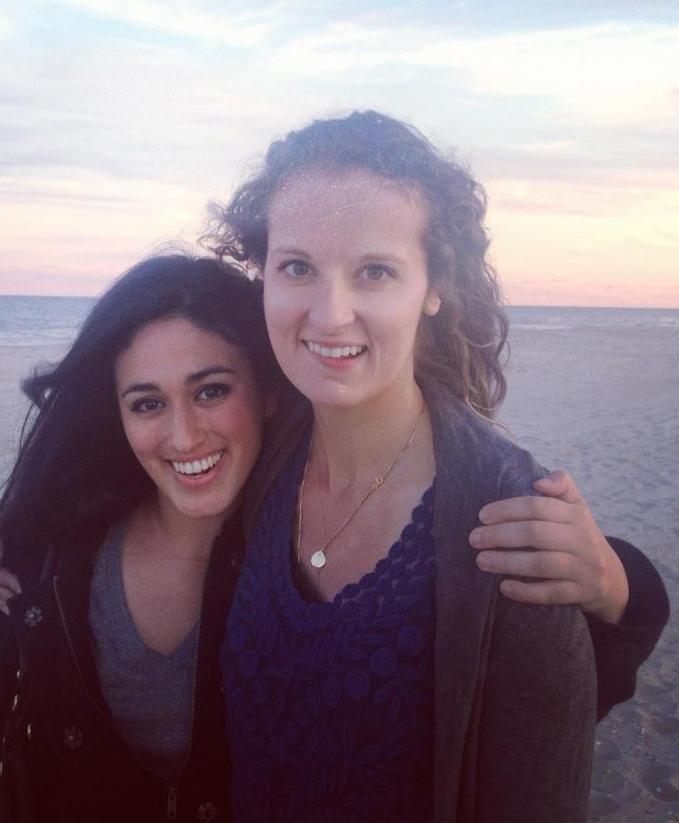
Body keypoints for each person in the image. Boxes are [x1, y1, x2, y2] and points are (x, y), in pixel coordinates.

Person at [202, 110, 669, 822]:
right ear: (262, 274)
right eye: (298, 266)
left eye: (374, 272)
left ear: (432, 286)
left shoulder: (504, 527)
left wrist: (617, 585)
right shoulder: (260, 457)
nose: (330, 314)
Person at [0, 255, 282, 822]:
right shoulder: (49, 549)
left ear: (269, 392)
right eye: (148, 404)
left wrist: (470, 505)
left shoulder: (319, 549)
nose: (183, 436)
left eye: (211, 391)